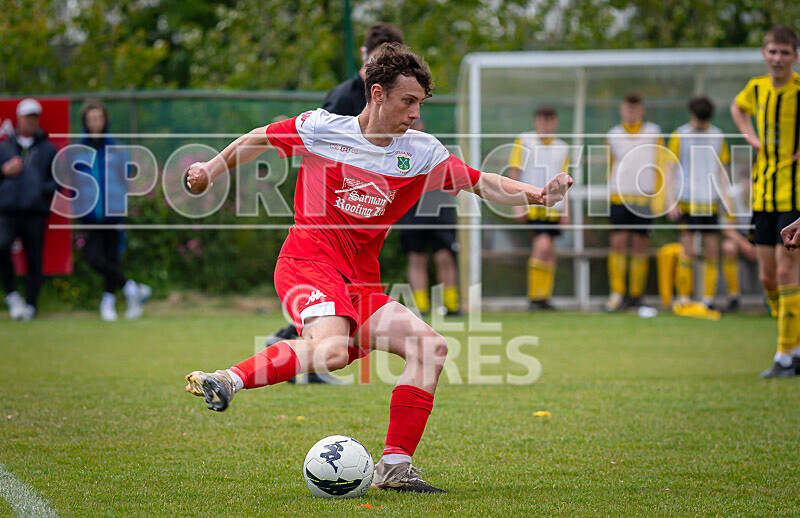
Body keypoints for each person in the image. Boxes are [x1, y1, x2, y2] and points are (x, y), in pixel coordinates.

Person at [183, 43, 572, 493]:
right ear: (377, 94)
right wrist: (209, 170)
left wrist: (538, 195)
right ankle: (229, 380)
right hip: (307, 263)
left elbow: (483, 184)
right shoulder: (321, 129)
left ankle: (395, 468)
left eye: (420, 104)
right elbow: (258, 138)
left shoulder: (421, 152)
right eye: (408, 101)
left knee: (430, 348)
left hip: (359, 282)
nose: (415, 114)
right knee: (329, 352)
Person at [266, 22, 406, 381]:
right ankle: (291, 347)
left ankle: (299, 348)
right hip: (328, 212)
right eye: (381, 60)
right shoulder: (344, 98)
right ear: (366, 57)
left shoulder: (399, 99)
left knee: (355, 299)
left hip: (363, 209)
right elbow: (316, 141)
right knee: (331, 295)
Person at [730, 26, 800, 378]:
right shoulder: (756, 89)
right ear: (763, 53)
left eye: (785, 52)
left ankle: (786, 356)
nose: (777, 58)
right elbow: (736, 107)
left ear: (795, 57)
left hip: (795, 195)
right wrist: (749, 136)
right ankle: (794, 342)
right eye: (772, 51)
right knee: (768, 277)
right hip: (762, 196)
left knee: (787, 272)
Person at [72, 99, 151, 321]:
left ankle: (109, 303)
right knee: (95, 258)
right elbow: (74, 183)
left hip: (113, 212)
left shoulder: (117, 149)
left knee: (112, 258)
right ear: (85, 122)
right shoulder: (77, 150)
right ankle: (133, 289)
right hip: (89, 213)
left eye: (98, 118)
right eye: (91, 119)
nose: (95, 123)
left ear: (105, 120)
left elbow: (124, 180)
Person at [666, 96, 731, 310]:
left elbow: (722, 171)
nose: (701, 124)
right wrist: (670, 201)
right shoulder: (680, 135)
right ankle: (684, 298)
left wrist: (726, 199)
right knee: (688, 251)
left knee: (712, 250)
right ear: (692, 114)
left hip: (710, 201)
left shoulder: (718, 136)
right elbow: (670, 169)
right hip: (686, 200)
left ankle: (708, 300)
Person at [605, 93, 664, 312]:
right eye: (628, 109)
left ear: (642, 110)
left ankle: (636, 295)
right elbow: (610, 166)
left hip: (644, 197)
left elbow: (661, 164)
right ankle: (616, 294)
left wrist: (659, 198)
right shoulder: (613, 134)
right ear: (622, 110)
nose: (632, 113)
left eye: (636, 109)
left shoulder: (654, 132)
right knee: (618, 243)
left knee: (641, 245)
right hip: (619, 196)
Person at [0, 98, 57, 320]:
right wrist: (4, 171)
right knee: (2, 246)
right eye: (27, 117)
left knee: (35, 259)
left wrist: (41, 191)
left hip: (35, 213)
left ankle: (32, 305)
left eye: (35, 117)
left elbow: (57, 179)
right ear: (18, 118)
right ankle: (13, 297)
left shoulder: (47, 149)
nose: (31, 121)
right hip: (7, 211)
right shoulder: (4, 147)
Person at [508, 105, 570, 310]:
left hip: (555, 208)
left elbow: (566, 182)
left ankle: (544, 297)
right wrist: (517, 204)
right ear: (536, 121)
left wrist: (566, 212)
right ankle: (534, 297)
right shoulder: (525, 140)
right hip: (533, 203)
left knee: (549, 250)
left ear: (556, 122)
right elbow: (514, 172)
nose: (546, 123)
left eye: (550, 120)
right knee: (541, 244)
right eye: (543, 119)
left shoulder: (563, 147)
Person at [398, 117, 461, 316]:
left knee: (444, 256)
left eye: (418, 123)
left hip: (439, 209)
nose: (415, 127)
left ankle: (451, 305)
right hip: (411, 210)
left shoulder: (434, 147)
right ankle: (420, 307)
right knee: (417, 257)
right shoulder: (396, 150)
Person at [720, 177, 756, 312]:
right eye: (749, 181)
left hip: (760, 236)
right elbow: (727, 229)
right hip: (739, 236)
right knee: (728, 247)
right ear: (743, 182)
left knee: (777, 248)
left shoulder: (765, 194)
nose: (751, 185)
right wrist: (745, 244)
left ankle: (771, 296)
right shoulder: (732, 196)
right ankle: (734, 296)